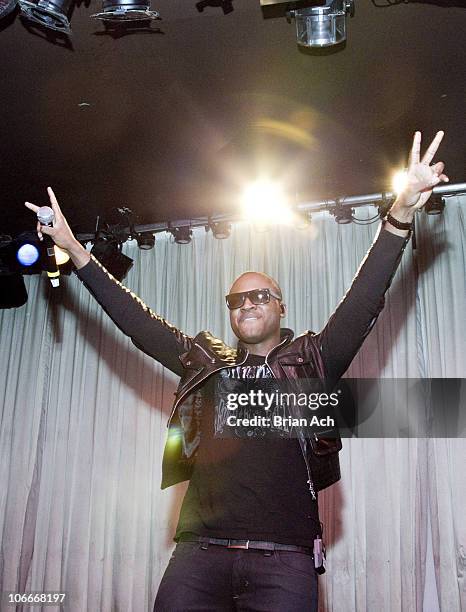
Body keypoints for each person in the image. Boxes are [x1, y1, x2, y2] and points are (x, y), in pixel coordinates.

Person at [25, 131, 448, 611]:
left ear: (281, 307)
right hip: (197, 560)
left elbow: (364, 300)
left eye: (259, 295)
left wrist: (403, 211)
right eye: (235, 300)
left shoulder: (312, 362)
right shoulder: (207, 366)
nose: (246, 304)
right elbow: (136, 322)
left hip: (283, 563)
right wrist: (76, 252)